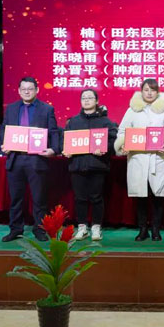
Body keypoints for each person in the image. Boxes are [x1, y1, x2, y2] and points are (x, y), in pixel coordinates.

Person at [115, 79, 164, 242]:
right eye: (146, 90)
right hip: (138, 158)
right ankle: (142, 229)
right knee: (140, 196)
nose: (149, 93)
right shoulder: (132, 110)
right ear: (141, 91)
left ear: (158, 92)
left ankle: (156, 229)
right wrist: (123, 145)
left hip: (158, 158)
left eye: (153, 90)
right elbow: (122, 131)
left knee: (158, 196)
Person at [0, 76, 60, 242]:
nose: (27, 92)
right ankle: (15, 229)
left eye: (30, 89)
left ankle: (39, 229)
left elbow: (53, 132)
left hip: (36, 159)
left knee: (39, 199)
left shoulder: (46, 109)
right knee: (16, 198)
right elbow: (4, 129)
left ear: (37, 90)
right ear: (19, 91)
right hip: (15, 158)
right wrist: (4, 144)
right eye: (24, 89)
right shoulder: (11, 108)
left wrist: (54, 149)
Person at [63, 89, 117, 241]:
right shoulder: (73, 122)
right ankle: (82, 227)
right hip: (77, 165)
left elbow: (114, 142)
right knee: (79, 198)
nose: (86, 100)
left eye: (90, 98)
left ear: (97, 101)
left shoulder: (105, 122)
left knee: (96, 197)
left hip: (97, 165)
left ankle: (96, 227)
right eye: (83, 98)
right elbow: (65, 141)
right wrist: (65, 150)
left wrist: (105, 149)